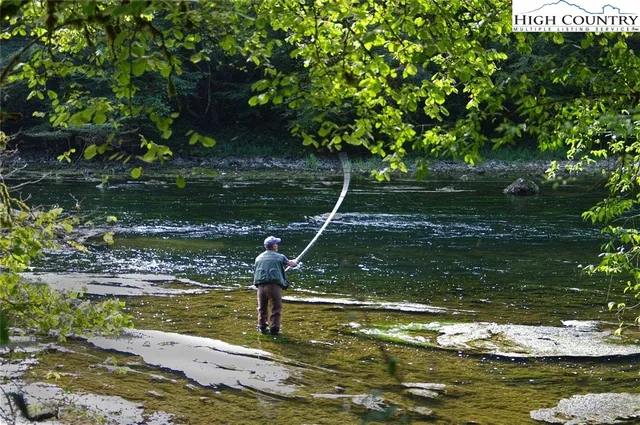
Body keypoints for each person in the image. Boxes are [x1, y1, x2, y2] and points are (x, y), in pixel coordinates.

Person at [253, 236, 298, 335]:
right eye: (276, 244)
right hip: (273, 286)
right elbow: (291, 264)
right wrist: (295, 262)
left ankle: (262, 327)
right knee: (276, 307)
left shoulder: (258, 257)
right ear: (273, 246)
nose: (277, 245)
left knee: (262, 307)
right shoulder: (280, 256)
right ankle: (274, 329)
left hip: (260, 286)